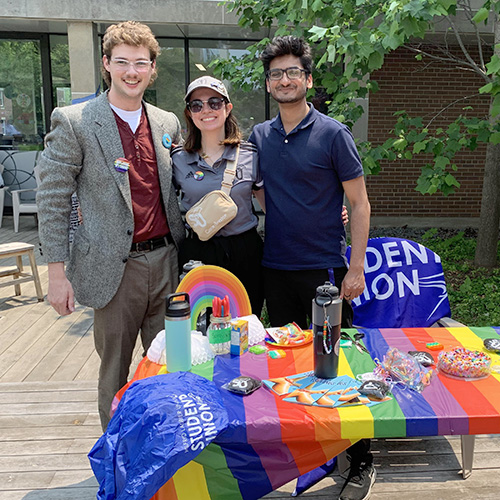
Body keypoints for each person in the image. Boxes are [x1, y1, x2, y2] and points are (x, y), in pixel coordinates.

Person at [36, 21, 184, 431]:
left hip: (168, 261)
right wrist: (56, 273)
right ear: (106, 64)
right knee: (115, 374)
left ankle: (166, 456)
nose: (131, 72)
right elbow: (52, 198)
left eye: (141, 63)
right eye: (122, 62)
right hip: (113, 269)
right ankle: (117, 464)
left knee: (169, 366)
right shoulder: (76, 121)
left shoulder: (167, 122)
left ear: (153, 68)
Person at [249, 36, 373, 500]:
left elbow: (359, 204)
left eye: (292, 72)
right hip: (274, 270)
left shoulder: (333, 133)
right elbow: (258, 188)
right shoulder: (260, 137)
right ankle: (303, 456)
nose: (284, 80)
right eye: (276, 74)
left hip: (323, 271)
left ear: (308, 79)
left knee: (336, 367)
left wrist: (354, 267)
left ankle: (359, 461)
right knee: (286, 368)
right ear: (268, 84)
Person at [172, 76, 265, 316]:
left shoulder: (250, 154)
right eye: (197, 105)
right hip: (198, 252)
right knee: (200, 325)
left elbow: (273, 207)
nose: (206, 110)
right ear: (190, 113)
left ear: (227, 108)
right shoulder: (178, 159)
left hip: (245, 251)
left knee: (245, 321)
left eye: (214, 102)